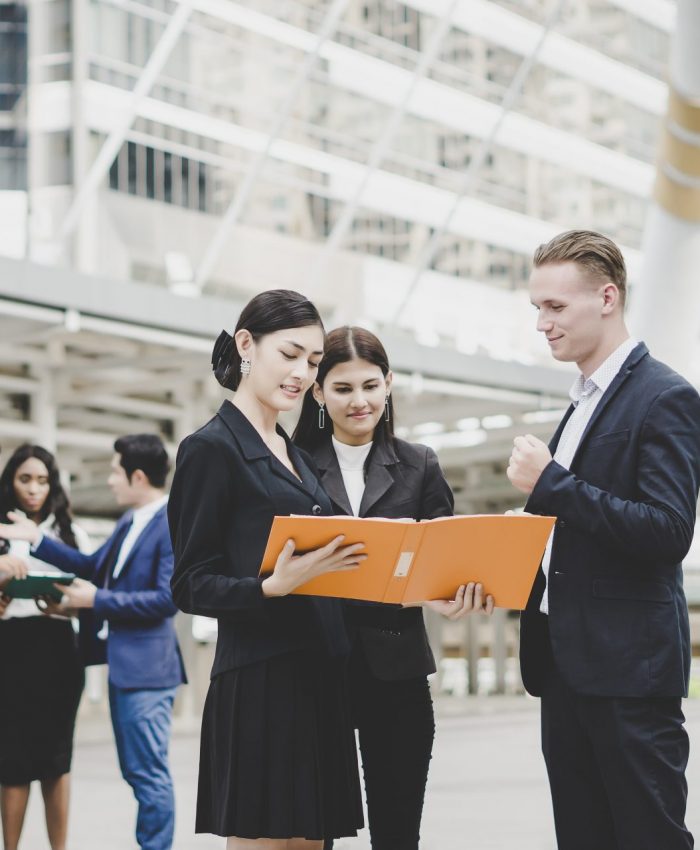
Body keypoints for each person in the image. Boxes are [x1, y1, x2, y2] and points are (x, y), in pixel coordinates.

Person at [507, 230, 700, 850]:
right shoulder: (581, 402)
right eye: (537, 307)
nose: (542, 323)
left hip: (628, 678)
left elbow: (668, 531)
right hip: (567, 670)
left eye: (555, 307)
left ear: (608, 297)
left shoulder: (665, 397)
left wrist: (553, 486)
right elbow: (579, 534)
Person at [168, 290, 365, 850]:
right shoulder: (210, 448)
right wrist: (271, 586)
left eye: (313, 362)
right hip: (261, 680)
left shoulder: (292, 451)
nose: (303, 373)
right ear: (246, 344)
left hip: (318, 674)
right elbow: (189, 582)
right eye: (291, 354)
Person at [294, 325, 494, 850]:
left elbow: (445, 559)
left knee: (398, 833)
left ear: (388, 385)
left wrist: (452, 597)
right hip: (314, 670)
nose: (359, 401)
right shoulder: (291, 466)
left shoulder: (419, 464)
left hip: (397, 671)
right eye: (342, 389)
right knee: (316, 832)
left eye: (369, 386)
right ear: (317, 393)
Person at [0, 434, 186, 850]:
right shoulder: (130, 520)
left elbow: (168, 599)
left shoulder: (170, 522)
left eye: (115, 471)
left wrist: (95, 599)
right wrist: (36, 539)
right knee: (136, 772)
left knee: (148, 774)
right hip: (123, 667)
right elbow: (90, 566)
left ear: (138, 476)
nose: (109, 480)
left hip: (149, 671)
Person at [0, 444, 89, 850]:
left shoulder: (70, 534)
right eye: (24, 479)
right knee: (12, 761)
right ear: (10, 483)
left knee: (57, 761)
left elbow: (90, 598)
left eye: (42, 480)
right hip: (9, 650)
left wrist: (65, 605)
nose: (34, 489)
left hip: (57, 651)